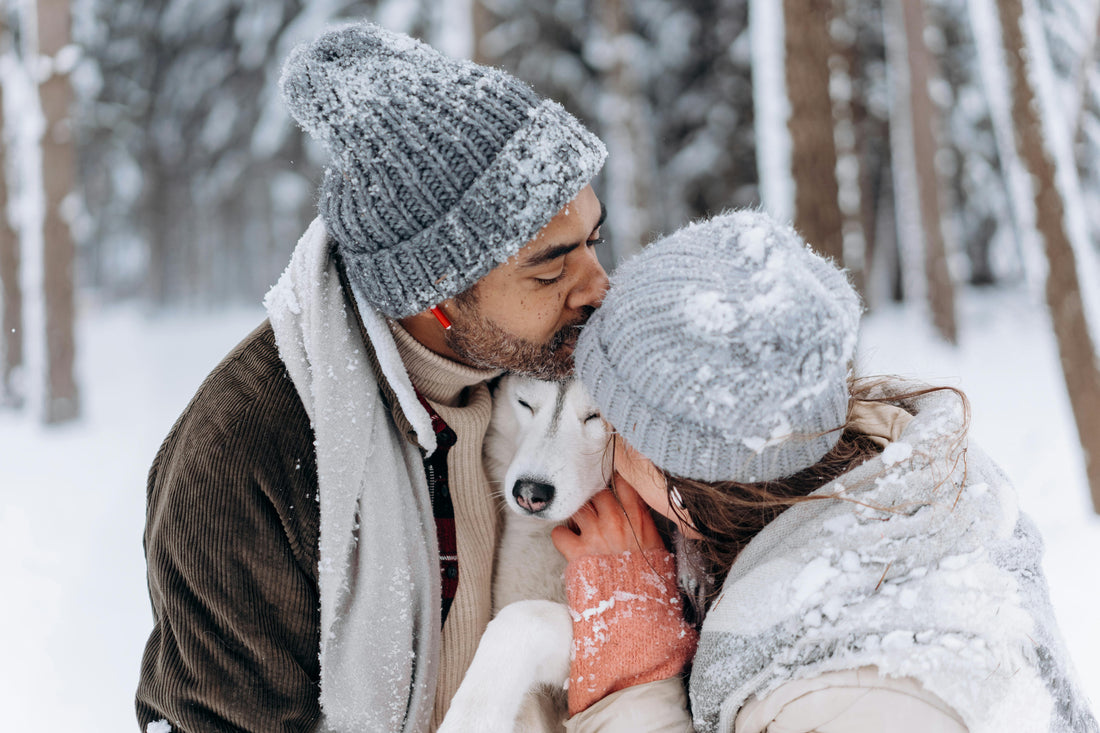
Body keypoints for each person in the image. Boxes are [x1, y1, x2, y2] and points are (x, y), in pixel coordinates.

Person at [135, 21, 612, 733]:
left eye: (595, 241)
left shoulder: (559, 369)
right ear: (437, 289)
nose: (598, 286)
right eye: (550, 264)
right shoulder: (245, 455)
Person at [552, 210, 1098, 732]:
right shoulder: (913, 485)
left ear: (683, 482)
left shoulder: (865, 696)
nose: (603, 451)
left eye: (605, 421)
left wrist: (633, 675)